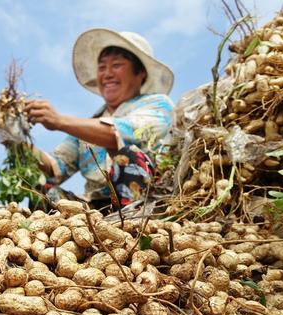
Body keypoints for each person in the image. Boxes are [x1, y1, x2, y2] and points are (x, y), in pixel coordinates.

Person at [23, 28, 175, 211]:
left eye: (117, 65)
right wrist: (16, 141)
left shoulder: (159, 106)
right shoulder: (88, 126)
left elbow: (116, 134)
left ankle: (132, 225)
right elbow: (55, 167)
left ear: (140, 72)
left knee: (127, 157)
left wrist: (59, 121)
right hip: (96, 209)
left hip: (146, 203)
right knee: (43, 192)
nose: (107, 74)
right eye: (102, 67)